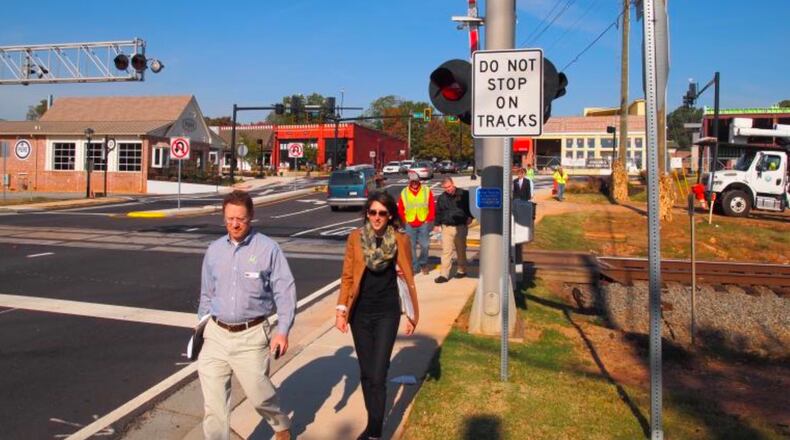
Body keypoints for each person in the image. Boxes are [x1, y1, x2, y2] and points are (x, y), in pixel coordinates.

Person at [197, 190, 295, 440]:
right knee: (214, 407)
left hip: (251, 336)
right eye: (230, 219)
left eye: (240, 218)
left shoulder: (268, 249)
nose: (235, 224)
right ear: (224, 218)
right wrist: (201, 328)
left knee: (260, 396)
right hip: (216, 335)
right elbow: (207, 293)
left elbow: (285, 291)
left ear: (250, 217)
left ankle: (280, 426)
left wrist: (282, 331)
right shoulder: (215, 250)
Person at [335, 191, 419, 440]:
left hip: (387, 312)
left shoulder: (400, 240)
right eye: (373, 212)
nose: (377, 217)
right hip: (360, 313)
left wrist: (412, 313)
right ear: (367, 214)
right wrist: (341, 310)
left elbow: (408, 277)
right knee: (366, 372)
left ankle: (374, 432)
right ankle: (374, 421)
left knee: (379, 374)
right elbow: (348, 276)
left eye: (382, 213)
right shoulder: (355, 238)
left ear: (390, 215)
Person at [433, 176, 473, 283]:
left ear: (453, 183)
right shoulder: (442, 198)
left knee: (461, 250)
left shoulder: (464, 194)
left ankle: (462, 270)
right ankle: (444, 275)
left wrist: (470, 217)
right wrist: (436, 224)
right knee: (446, 251)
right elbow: (438, 212)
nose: (448, 189)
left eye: (449, 186)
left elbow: (471, 207)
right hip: (446, 227)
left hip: (460, 227)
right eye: (445, 188)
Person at [397, 170, 435, 275]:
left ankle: (423, 263)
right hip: (410, 223)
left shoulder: (426, 190)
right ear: (409, 182)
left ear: (419, 181)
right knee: (411, 247)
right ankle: (415, 266)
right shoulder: (404, 192)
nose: (414, 183)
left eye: (416, 181)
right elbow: (400, 208)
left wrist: (429, 218)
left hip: (423, 222)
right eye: (412, 181)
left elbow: (431, 205)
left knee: (425, 245)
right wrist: (404, 220)